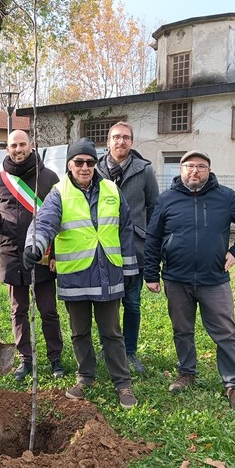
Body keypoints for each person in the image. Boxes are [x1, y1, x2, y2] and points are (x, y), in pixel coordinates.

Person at [24, 138, 139, 410]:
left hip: (108, 274)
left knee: (111, 332)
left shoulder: (111, 189)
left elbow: (126, 229)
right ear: (69, 165)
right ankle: (85, 377)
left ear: (95, 164)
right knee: (80, 332)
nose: (85, 167)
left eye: (89, 162)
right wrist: (35, 246)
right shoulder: (58, 192)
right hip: (76, 276)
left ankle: (122, 383)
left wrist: (131, 267)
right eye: (79, 162)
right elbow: (44, 222)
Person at [143, 150, 235, 409]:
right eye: (189, 166)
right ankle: (186, 373)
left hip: (214, 280)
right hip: (176, 279)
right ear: (181, 170)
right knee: (182, 330)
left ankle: (233, 383)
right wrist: (151, 273)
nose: (194, 171)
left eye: (201, 166)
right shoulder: (166, 200)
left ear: (209, 171)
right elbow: (152, 239)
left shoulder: (225, 197)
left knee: (226, 333)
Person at [0, 129, 65, 381]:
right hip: (10, 254)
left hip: (42, 255)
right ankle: (25, 360)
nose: (17, 149)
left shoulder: (49, 177)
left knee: (48, 310)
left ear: (30, 146)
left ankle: (55, 358)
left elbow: (59, 220)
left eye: (22, 144)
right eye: (13, 145)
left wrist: (55, 255)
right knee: (18, 310)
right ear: (7, 148)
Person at [96, 121, 159, 373]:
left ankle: (130, 352)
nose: (120, 142)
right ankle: (107, 347)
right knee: (106, 301)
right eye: (116, 137)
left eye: (125, 137)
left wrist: (152, 242)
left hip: (136, 248)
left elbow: (155, 209)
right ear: (108, 142)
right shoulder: (96, 169)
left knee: (132, 303)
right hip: (103, 247)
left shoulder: (144, 171)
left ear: (132, 142)